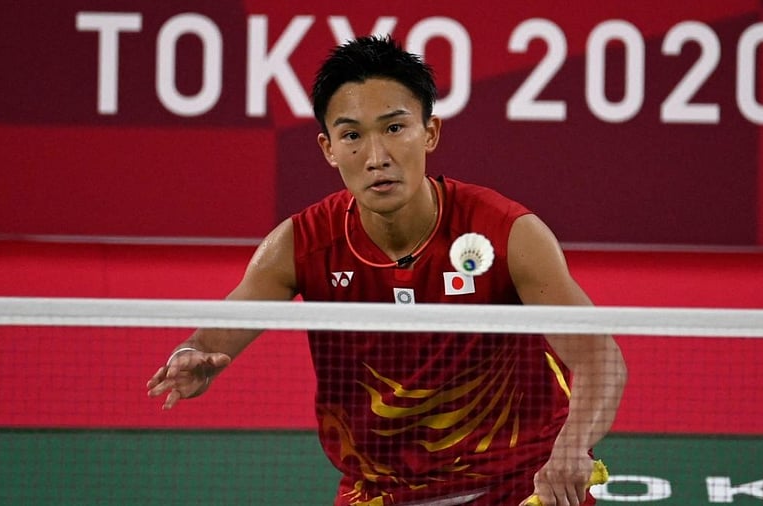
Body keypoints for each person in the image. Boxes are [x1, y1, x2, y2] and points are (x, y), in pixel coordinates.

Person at [147, 35, 627, 506]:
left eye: (395, 128)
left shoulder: (507, 233)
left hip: (526, 485)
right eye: (353, 135)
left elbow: (599, 359)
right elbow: (211, 340)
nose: (377, 157)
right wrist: (193, 355)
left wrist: (571, 447)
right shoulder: (302, 244)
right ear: (328, 148)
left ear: (430, 132)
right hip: (382, 493)